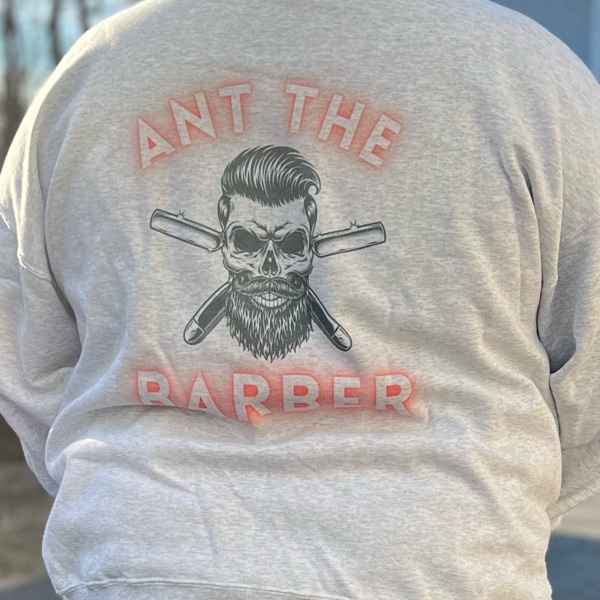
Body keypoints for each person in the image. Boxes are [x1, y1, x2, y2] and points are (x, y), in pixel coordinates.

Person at [0, 0, 599, 598]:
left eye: (290, 246)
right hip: (448, 575)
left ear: (311, 235)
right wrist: (489, 505)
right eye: (245, 243)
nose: (267, 268)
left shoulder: (91, 75)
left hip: (140, 574)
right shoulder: (531, 75)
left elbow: (28, 365)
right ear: (224, 228)